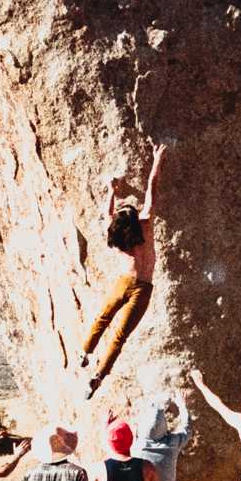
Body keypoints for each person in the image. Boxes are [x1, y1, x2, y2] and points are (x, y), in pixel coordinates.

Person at [80, 144, 169, 398]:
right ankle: (97, 377)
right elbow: (152, 189)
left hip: (123, 282)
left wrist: (111, 191)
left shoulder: (116, 234)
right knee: (119, 336)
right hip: (142, 288)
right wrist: (157, 160)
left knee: (103, 317)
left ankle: (84, 352)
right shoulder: (145, 226)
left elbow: (106, 214)